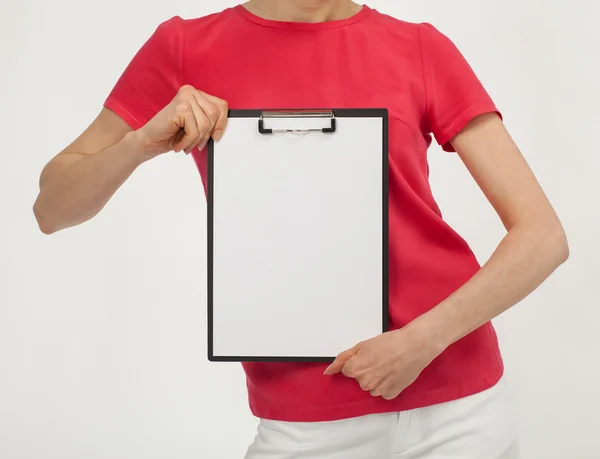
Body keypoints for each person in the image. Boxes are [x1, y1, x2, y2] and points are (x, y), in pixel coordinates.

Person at [33, 1, 569, 457]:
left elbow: (542, 236)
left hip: (462, 412)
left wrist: (420, 343)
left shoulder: (420, 47)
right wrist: (141, 143)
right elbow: (52, 209)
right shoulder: (183, 47)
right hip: (303, 423)